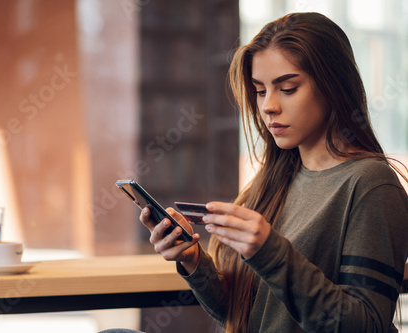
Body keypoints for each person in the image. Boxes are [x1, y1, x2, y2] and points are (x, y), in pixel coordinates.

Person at [140, 12, 408, 333]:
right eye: (260, 90)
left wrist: (269, 251)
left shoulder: (370, 184)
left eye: (288, 88)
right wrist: (193, 261)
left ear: (334, 86)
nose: (268, 106)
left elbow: (364, 325)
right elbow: (239, 312)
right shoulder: (274, 179)